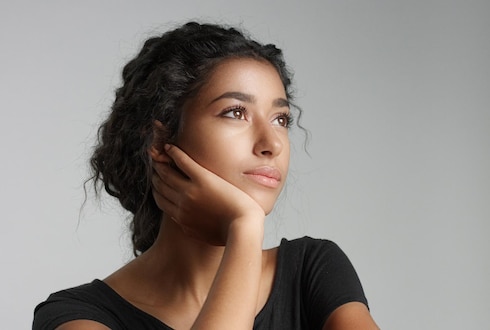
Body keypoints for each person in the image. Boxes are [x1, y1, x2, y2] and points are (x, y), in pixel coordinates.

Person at [33, 22, 379, 330]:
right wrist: (244, 229)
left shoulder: (313, 272)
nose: (271, 143)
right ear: (160, 140)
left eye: (280, 119)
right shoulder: (76, 315)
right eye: (235, 112)